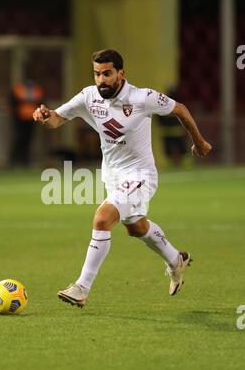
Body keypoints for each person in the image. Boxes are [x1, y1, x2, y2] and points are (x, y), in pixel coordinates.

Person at [33, 49, 212, 307]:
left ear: (121, 73)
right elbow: (57, 119)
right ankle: (176, 260)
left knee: (102, 219)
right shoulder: (89, 96)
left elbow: (180, 109)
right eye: (97, 74)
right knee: (136, 227)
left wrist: (199, 141)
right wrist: (45, 116)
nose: (101, 79)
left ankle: (81, 288)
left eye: (107, 73)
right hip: (113, 176)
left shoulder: (142, 97)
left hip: (141, 175)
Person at [10, 77, 44, 166]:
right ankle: (15, 159)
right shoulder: (18, 89)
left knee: (28, 139)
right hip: (20, 118)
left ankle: (25, 159)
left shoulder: (37, 90)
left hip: (32, 118)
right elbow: (12, 102)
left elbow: (41, 102)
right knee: (19, 138)